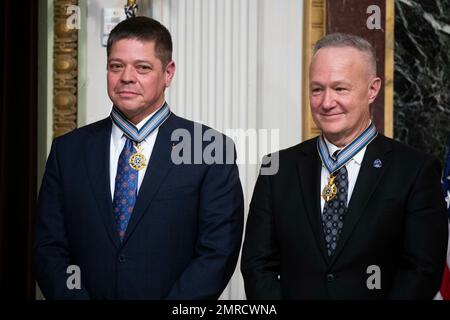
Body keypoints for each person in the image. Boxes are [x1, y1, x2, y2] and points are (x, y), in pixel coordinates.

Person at [35, 17, 244, 299]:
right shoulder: (67, 151)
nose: (126, 77)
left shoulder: (209, 149)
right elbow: (49, 248)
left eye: (142, 68)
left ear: (168, 73)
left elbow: (217, 253)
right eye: (116, 66)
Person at [241, 33, 448, 299]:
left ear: (372, 90)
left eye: (340, 89)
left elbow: (422, 271)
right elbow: (257, 265)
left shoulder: (415, 171)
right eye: (317, 89)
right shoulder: (277, 169)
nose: (326, 103)